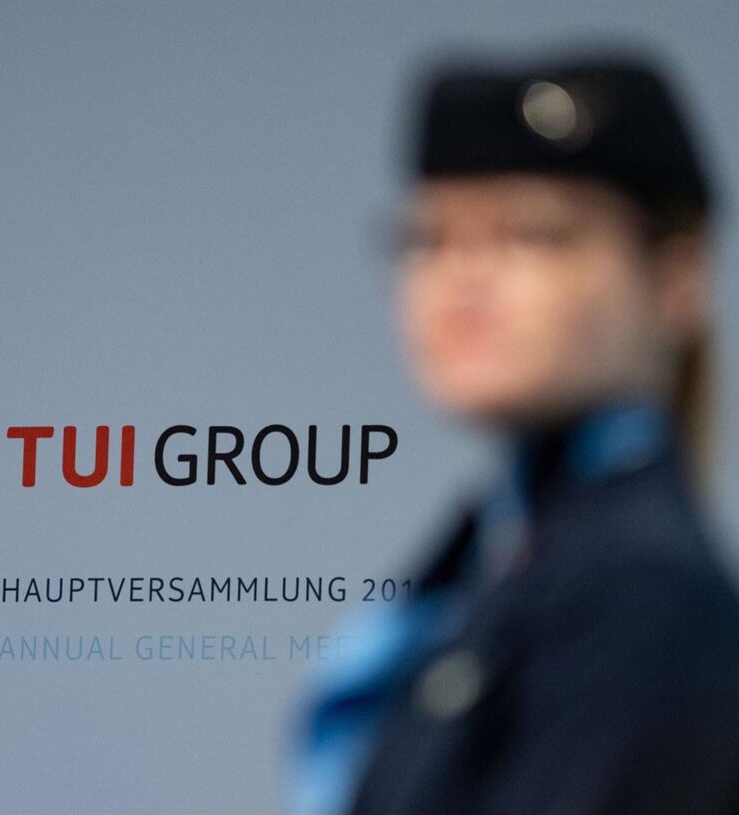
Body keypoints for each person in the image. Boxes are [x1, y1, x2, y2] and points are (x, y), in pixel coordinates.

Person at [290, 46, 739, 815]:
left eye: (533, 234)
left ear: (674, 279)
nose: (464, 277)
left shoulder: (645, 609)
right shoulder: (487, 566)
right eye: (430, 238)